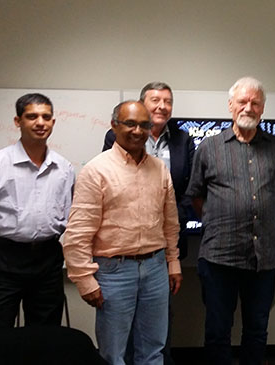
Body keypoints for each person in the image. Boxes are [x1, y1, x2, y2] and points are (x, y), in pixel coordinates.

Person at [186, 76, 275, 365]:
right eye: (242, 101)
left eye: (255, 102)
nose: (249, 107)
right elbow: (195, 196)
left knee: (257, 331)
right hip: (219, 258)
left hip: (264, 259)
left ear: (263, 109)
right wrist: (217, 221)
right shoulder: (208, 148)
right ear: (231, 106)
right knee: (217, 332)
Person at [63, 100, 181, 365]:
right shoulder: (96, 170)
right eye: (130, 123)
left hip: (155, 269)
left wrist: (173, 263)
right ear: (114, 125)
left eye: (144, 125)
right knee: (113, 354)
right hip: (114, 272)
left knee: (153, 350)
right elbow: (78, 233)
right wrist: (85, 279)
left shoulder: (159, 169)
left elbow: (170, 223)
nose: (137, 131)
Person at [102, 82, 194, 364]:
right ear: (142, 105)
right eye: (155, 100)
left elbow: (190, 190)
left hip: (163, 247)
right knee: (120, 332)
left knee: (158, 327)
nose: (162, 106)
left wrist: (170, 222)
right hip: (121, 252)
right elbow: (114, 184)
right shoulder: (115, 138)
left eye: (167, 101)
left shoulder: (182, 139)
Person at [0, 93, 75, 331]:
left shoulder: (64, 168)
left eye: (46, 117)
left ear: (53, 122)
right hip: (4, 259)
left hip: (47, 259)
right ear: (18, 121)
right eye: (32, 116)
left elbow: (68, 214)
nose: (40, 122)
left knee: (45, 333)